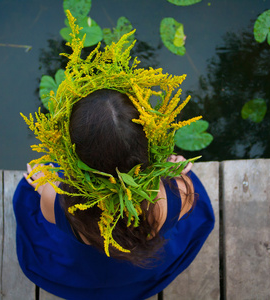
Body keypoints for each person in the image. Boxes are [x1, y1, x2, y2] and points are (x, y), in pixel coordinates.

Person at [13, 10, 214, 300]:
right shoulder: (177, 195)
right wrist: (179, 168)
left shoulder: (53, 199)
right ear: (147, 145)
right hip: (143, 265)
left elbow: (44, 194)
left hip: (83, 264)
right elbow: (188, 195)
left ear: (72, 153)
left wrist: (40, 179)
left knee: (27, 190)